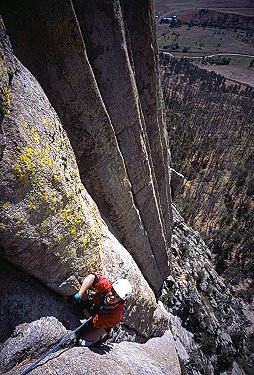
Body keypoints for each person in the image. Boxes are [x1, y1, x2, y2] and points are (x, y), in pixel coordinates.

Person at [68, 274, 132, 347]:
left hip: (104, 323)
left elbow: (93, 322)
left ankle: (105, 334)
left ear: (120, 300)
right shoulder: (107, 287)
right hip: (97, 307)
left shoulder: (115, 315)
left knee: (83, 342)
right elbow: (92, 277)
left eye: (117, 297)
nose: (112, 297)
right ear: (111, 288)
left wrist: (84, 309)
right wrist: (79, 295)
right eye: (113, 292)